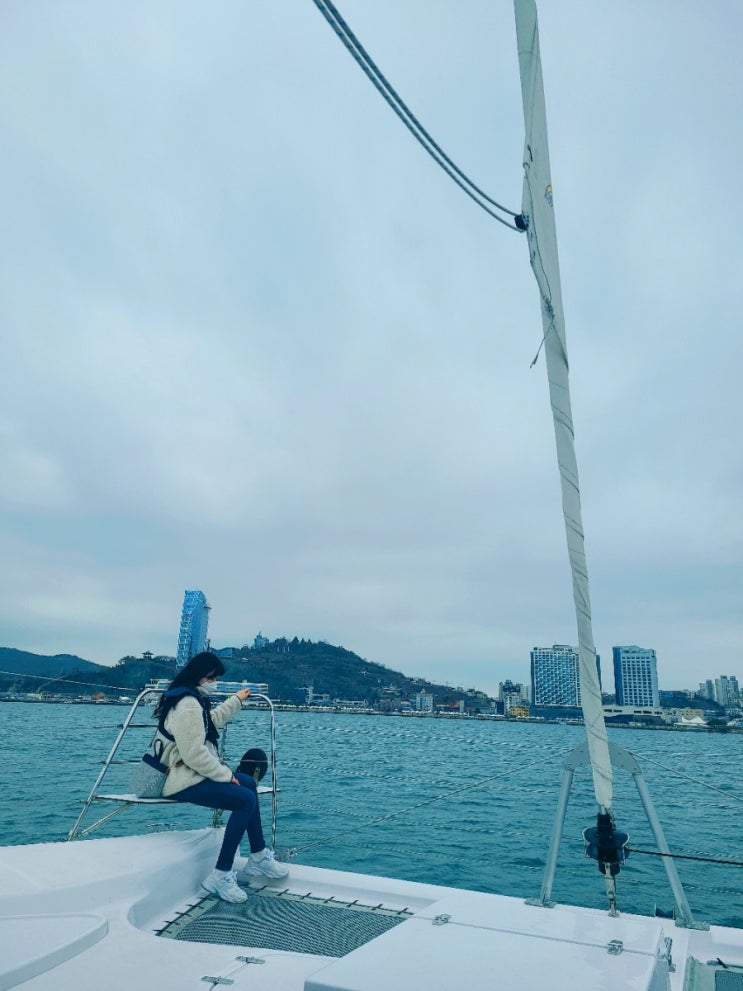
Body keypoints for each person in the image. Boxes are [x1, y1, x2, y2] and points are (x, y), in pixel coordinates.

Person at [153, 651, 289, 903]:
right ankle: (221, 873)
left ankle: (258, 856)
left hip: (189, 774)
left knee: (247, 783)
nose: (214, 682)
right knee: (245, 799)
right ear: (201, 676)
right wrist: (226, 776)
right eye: (212, 678)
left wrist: (235, 700)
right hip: (181, 780)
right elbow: (193, 754)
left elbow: (210, 724)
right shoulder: (188, 705)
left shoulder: (192, 700)